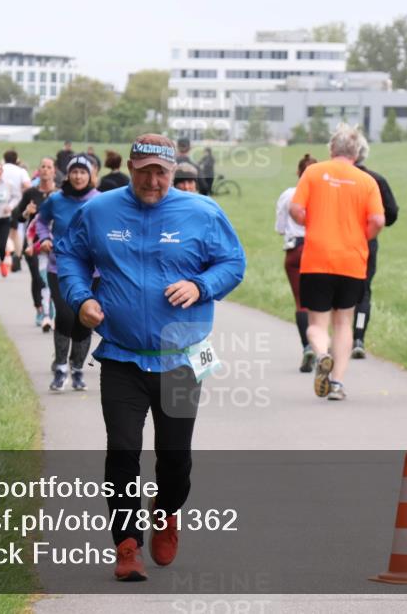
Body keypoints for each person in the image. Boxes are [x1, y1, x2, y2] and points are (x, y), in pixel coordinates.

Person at [56, 133, 246, 582]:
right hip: (121, 355)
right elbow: (70, 255)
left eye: (162, 173)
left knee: (174, 457)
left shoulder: (201, 213)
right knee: (122, 450)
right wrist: (80, 298)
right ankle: (126, 545)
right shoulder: (99, 210)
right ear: (131, 168)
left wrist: (201, 286)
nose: (153, 181)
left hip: (183, 356)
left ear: (173, 172)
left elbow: (232, 263)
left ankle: (166, 511)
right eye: (144, 172)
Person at [289, 124, 384, 401]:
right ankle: (338, 384)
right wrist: (361, 236)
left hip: (317, 257)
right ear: (356, 153)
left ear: (331, 149)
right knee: (344, 322)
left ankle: (321, 355)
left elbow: (296, 209)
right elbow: (378, 220)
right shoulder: (367, 181)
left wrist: (310, 223)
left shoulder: (313, 173)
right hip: (352, 260)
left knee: (317, 324)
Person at [35, 154, 100, 391]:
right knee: (64, 315)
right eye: (75, 172)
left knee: (85, 320)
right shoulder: (56, 200)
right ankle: (61, 368)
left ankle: (78, 368)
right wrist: (44, 238)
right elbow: (40, 222)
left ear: (90, 175)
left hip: (92, 271)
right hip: (59, 266)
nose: (78, 176)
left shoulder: (100, 200)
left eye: (83, 172)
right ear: (68, 174)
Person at [351, 139, 399, 359]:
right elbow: (391, 213)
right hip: (367, 242)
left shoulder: (337, 178)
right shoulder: (376, 180)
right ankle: (358, 337)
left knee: (337, 291)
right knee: (364, 291)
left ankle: (334, 338)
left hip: (338, 241)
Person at [275, 153, 318, 373]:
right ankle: (321, 347)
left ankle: (307, 346)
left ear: (298, 173)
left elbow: (280, 228)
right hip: (316, 249)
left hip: (293, 250)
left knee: (301, 302)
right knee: (319, 304)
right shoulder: (322, 194)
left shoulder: (287, 195)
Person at [15, 157, 58, 331]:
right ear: (38, 170)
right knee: (38, 277)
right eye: (43, 167)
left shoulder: (60, 194)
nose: (46, 170)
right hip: (34, 243)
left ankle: (52, 311)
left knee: (53, 278)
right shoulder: (30, 193)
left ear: (54, 171)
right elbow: (18, 217)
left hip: (56, 242)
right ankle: (40, 310)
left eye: (49, 167)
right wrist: (27, 211)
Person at [2, 150, 32, 272]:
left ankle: (5, 255)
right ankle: (17, 257)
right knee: (17, 231)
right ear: (16, 159)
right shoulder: (21, 171)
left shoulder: (0, 169)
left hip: (1, 204)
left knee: (3, 231)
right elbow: (28, 187)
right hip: (16, 204)